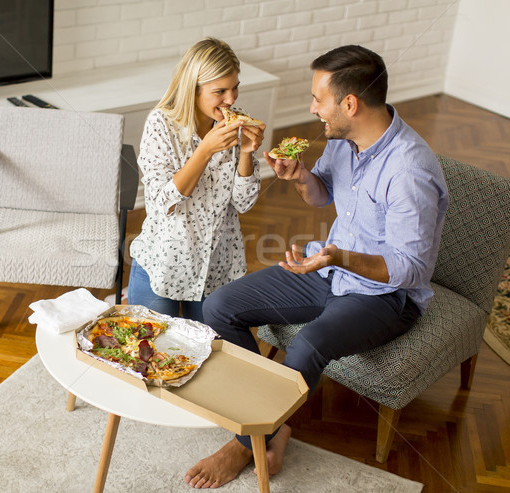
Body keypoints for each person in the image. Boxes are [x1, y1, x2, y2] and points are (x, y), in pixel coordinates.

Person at [183, 45, 449, 489]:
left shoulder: (409, 170)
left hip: (385, 296)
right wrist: (300, 176)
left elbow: (411, 269)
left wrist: (337, 256)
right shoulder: (344, 141)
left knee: (305, 346)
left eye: (317, 99)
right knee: (220, 307)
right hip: (329, 270)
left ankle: (244, 443)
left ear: (350, 104)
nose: (311, 109)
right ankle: (269, 426)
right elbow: (323, 192)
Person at [128, 37, 265, 323]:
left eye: (235, 87)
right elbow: (161, 202)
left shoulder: (235, 126)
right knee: (150, 352)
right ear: (194, 89)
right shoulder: (161, 124)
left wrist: (248, 153)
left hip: (217, 268)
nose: (231, 99)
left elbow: (244, 203)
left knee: (208, 358)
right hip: (164, 264)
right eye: (220, 91)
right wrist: (205, 150)